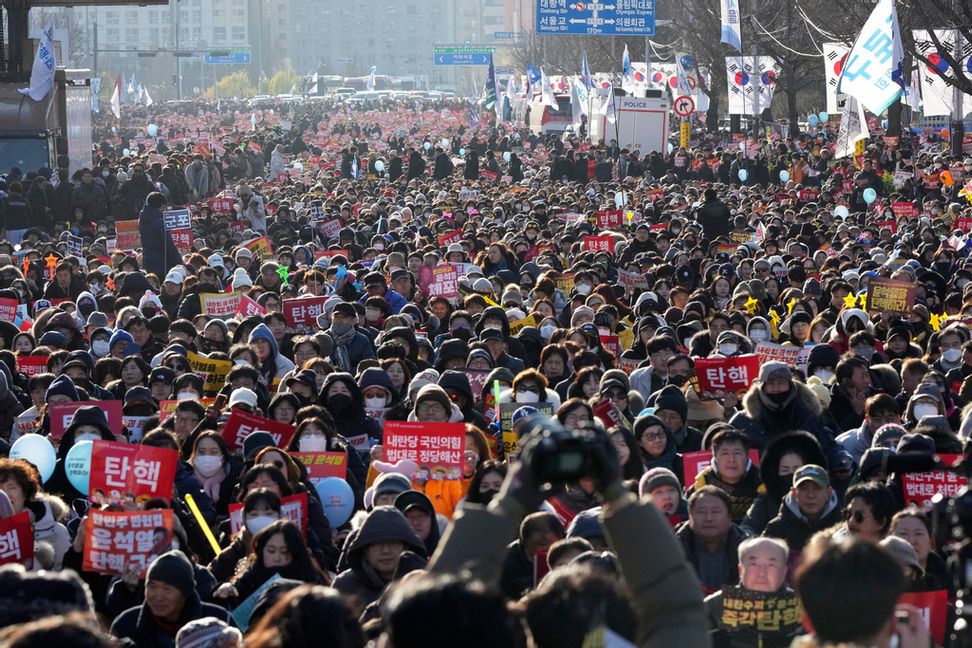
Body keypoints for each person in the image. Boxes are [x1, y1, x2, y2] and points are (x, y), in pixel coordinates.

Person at [109, 551, 233, 648]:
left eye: (167, 589)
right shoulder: (126, 624)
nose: (158, 596)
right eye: (152, 587)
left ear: (186, 591)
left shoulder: (218, 621)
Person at [676, 485, 748, 595]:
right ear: (690, 518)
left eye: (715, 511)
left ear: (729, 518)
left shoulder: (748, 550)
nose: (708, 518)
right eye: (701, 511)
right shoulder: (672, 550)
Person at [763, 464, 841, 553]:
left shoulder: (844, 528)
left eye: (817, 488)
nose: (810, 495)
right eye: (804, 488)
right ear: (794, 493)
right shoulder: (776, 529)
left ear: (828, 492)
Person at [138, 191, 182, 279]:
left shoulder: (142, 220)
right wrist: (180, 263)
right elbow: (168, 245)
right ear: (162, 205)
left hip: (148, 260)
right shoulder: (160, 222)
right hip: (163, 262)